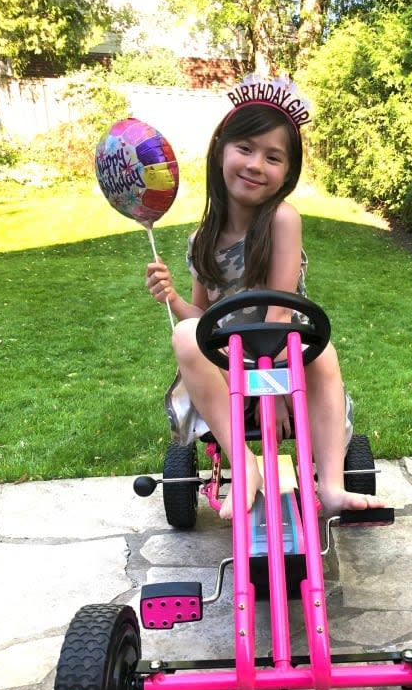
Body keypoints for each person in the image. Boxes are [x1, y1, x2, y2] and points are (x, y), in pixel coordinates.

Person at [146, 77, 384, 520]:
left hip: (286, 359)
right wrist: (175, 298)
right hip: (227, 366)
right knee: (183, 336)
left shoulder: (282, 221)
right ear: (221, 151)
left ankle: (331, 485)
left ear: (286, 173)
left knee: (324, 351)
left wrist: (272, 392)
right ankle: (246, 464)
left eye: (273, 157)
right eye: (246, 149)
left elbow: (279, 310)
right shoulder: (203, 240)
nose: (256, 164)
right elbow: (206, 320)